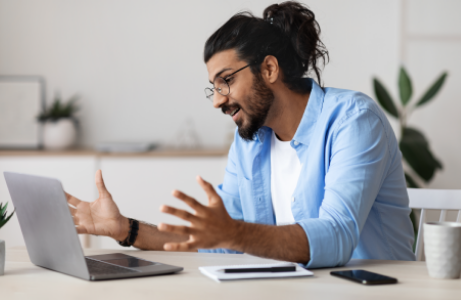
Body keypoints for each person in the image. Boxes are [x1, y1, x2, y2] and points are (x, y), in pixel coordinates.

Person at [67, 1, 415, 268]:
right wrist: (126, 230)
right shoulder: (251, 141)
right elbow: (217, 238)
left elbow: (337, 236)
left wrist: (234, 234)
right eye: (213, 88)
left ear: (269, 68)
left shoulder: (353, 121)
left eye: (227, 81)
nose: (218, 100)